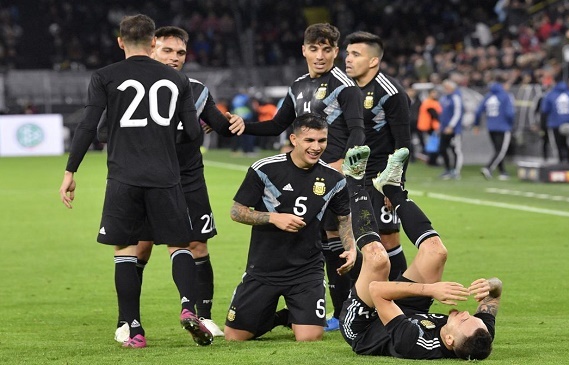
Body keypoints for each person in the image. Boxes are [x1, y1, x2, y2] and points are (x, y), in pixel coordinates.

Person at [58, 14, 212, 348]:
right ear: (154, 42)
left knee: (125, 250)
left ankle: (135, 330)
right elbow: (194, 134)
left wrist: (71, 171)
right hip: (166, 177)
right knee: (179, 245)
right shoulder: (177, 81)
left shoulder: (105, 76)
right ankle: (188, 307)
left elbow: (88, 127)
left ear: (119, 41)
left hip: (124, 177)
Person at [110, 26, 246, 343]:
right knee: (140, 248)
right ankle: (127, 322)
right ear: (151, 49)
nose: (174, 58)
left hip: (188, 180)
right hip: (146, 180)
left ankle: (204, 317)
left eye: (180, 52)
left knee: (198, 245)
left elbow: (218, 123)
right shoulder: (131, 87)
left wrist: (232, 123)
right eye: (167, 51)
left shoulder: (195, 89)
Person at [239, 23, 377, 332]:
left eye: (326, 49)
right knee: (320, 242)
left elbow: (357, 128)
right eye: (314, 49)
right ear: (304, 50)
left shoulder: (345, 85)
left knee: (343, 243)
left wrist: (344, 163)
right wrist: (239, 126)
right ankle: (320, 312)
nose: (320, 55)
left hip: (336, 177)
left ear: (335, 52)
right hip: (307, 177)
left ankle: (348, 313)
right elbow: (277, 125)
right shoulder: (298, 85)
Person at [340, 147, 501, 360]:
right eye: (471, 316)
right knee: (436, 252)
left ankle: (354, 180)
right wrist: (491, 285)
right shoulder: (478, 335)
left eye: (463, 320)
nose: (465, 313)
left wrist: (430, 289)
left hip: (366, 323)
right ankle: (392, 187)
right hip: (408, 311)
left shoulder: (412, 342)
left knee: (378, 259)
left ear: (450, 341)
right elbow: (494, 296)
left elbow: (377, 290)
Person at [224, 113, 357, 341]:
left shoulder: (334, 178)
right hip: (264, 267)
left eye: (322, 140)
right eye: (309, 140)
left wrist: (351, 247)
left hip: (307, 269)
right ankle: (277, 317)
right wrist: (274, 218)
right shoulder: (264, 169)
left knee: (310, 337)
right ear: (294, 139)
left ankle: (296, 317)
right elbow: (237, 212)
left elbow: (343, 218)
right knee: (234, 337)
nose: (316, 147)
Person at [344, 30, 412, 284]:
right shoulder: (346, 89)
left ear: (373, 61)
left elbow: (403, 142)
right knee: (353, 239)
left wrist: (394, 186)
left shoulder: (391, 92)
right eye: (348, 53)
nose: (348, 59)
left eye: (355, 54)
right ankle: (358, 303)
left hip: (379, 178)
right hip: (351, 176)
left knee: (387, 238)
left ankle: (399, 301)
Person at [473, 76, 515, 180]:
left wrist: (476, 124)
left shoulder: (488, 96)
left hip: (491, 126)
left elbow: (478, 111)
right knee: (501, 151)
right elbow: (510, 113)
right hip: (503, 127)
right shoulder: (505, 96)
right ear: (503, 84)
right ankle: (488, 168)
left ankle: (502, 172)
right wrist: (510, 123)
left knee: (497, 150)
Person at [540, 75, 569, 163]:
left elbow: (545, 110)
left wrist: (543, 125)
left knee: (558, 146)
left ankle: (561, 162)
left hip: (555, 124)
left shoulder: (550, 94)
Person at [438, 79, 464, 179]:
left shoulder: (456, 97)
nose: (445, 89)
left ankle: (456, 171)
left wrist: (451, 126)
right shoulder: (444, 98)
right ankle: (448, 169)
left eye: (447, 87)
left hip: (454, 130)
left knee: (456, 150)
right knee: (442, 149)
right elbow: (442, 114)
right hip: (444, 129)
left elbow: (458, 113)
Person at [417, 88, 442, 166]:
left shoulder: (430, 102)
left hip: (430, 126)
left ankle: (428, 157)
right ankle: (431, 160)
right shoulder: (429, 103)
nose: (435, 94)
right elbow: (434, 115)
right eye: (433, 93)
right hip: (431, 127)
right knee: (433, 144)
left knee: (432, 144)